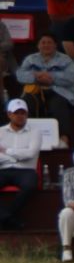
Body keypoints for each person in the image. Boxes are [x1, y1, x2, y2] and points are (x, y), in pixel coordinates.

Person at [16, 32, 74, 131]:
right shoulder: (30, 59)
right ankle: (27, 134)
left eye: (49, 42)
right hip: (35, 91)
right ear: (38, 45)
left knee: (58, 104)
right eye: (43, 42)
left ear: (55, 45)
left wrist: (51, 78)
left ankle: (63, 138)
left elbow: (71, 78)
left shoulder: (66, 60)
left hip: (59, 92)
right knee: (26, 102)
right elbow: (20, 75)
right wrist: (36, 77)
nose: (46, 45)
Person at [0, 98, 40, 229]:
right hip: (3, 169)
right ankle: (9, 220)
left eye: (23, 113)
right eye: (17, 113)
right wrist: (16, 157)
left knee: (30, 185)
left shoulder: (35, 132)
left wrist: (6, 151)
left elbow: (30, 154)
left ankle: (5, 217)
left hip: (26, 170)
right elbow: (24, 154)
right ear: (9, 114)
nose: (20, 116)